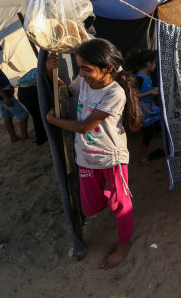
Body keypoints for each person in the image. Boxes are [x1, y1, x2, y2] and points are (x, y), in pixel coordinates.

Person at [45, 38, 142, 269]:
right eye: (80, 67)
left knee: (121, 205)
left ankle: (124, 243)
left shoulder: (114, 93)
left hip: (111, 158)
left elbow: (84, 126)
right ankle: (112, 195)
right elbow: (66, 91)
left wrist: (51, 120)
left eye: (86, 69)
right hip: (86, 156)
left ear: (107, 69)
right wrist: (52, 73)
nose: (82, 73)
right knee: (90, 207)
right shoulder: (84, 82)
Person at [126, 49, 164, 163]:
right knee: (148, 134)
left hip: (151, 109)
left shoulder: (147, 74)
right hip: (144, 112)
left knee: (161, 121)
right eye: (155, 63)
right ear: (148, 63)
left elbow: (145, 89)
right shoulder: (139, 78)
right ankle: (142, 157)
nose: (155, 66)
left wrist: (153, 89)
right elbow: (134, 96)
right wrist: (150, 93)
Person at [17, 68, 48, 145]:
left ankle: (42, 138)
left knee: (38, 116)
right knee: (38, 116)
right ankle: (41, 139)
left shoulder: (37, 69)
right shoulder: (44, 71)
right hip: (28, 93)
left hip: (23, 92)